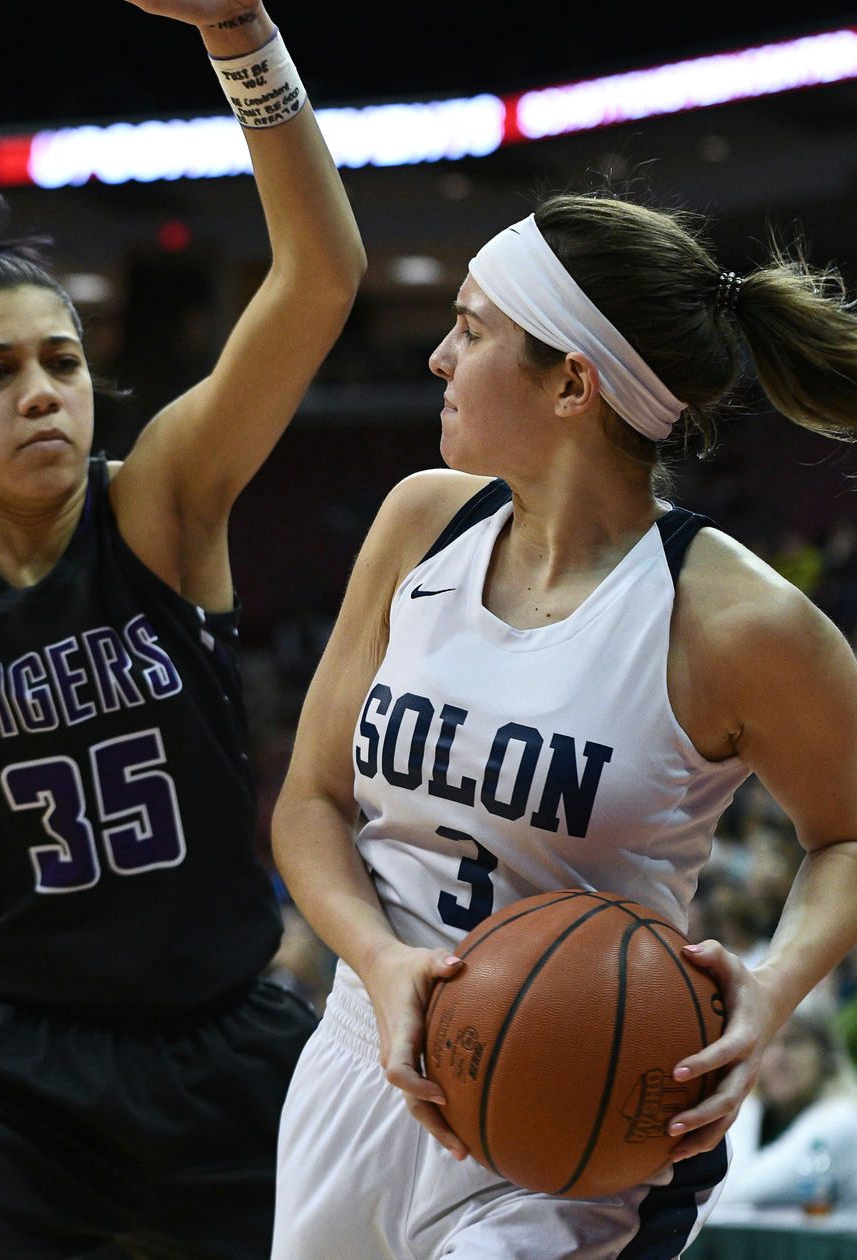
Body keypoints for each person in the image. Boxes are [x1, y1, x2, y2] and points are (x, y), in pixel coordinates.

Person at [268, 191, 857, 1258]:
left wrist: (768, 993)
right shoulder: (419, 520)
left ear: (573, 383)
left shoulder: (736, 619)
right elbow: (308, 804)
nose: (439, 358)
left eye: (472, 328)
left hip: (578, 1122)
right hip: (363, 1060)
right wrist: (380, 961)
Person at [0, 0, 365, 1255]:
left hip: (223, 1043)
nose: (42, 393)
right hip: (3, 1073)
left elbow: (320, 279)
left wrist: (242, 35)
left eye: (61, 360)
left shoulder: (161, 503)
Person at [716, 1003, 857, 1210]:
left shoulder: (841, 1118)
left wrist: (742, 1100)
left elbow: (728, 1192)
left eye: (793, 1042)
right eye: (768, 1043)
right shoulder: (768, 1116)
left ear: (825, 1055)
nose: (777, 1058)